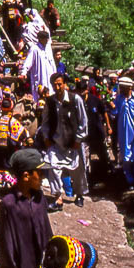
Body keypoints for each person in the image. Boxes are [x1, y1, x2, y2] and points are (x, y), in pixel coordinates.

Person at [0, 148, 53, 268]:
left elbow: (47, 232)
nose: (43, 177)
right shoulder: (9, 205)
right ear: (26, 176)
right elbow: (4, 242)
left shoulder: (40, 198)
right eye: (40, 172)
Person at [43, 72, 89, 208]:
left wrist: (78, 139)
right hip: (56, 142)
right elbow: (45, 122)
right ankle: (58, 198)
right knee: (53, 167)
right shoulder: (50, 102)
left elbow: (83, 121)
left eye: (60, 84)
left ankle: (79, 195)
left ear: (64, 84)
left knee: (78, 169)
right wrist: (46, 138)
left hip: (73, 142)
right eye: (55, 85)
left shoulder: (75, 100)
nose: (58, 87)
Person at [114, 76, 134, 186]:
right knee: (125, 154)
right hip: (123, 131)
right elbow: (115, 113)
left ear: (129, 88)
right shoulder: (119, 99)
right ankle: (129, 179)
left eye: (123, 87)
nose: (121, 89)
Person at [21, 28, 56, 100]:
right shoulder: (34, 49)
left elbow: (52, 63)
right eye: (45, 39)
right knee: (40, 97)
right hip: (40, 78)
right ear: (40, 39)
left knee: (51, 96)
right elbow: (28, 62)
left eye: (47, 39)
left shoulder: (48, 48)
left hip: (50, 77)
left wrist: (55, 74)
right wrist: (23, 72)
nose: (46, 40)